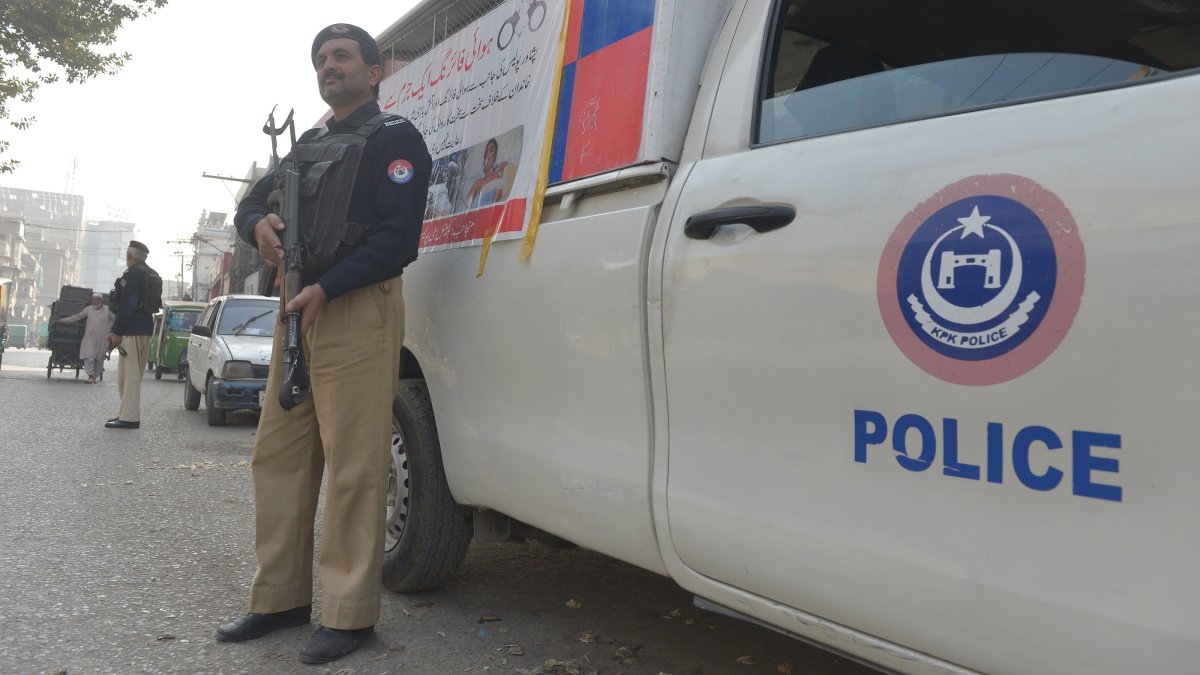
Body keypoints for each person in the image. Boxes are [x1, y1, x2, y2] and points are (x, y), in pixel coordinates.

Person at [215, 23, 431, 665]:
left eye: (342, 57)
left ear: (375, 71)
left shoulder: (395, 139)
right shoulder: (306, 143)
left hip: (355, 307)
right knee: (278, 456)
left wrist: (328, 286)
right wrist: (262, 228)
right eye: (321, 60)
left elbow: (399, 240)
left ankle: (348, 612)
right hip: (295, 310)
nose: (329, 66)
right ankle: (278, 598)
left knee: (355, 465)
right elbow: (247, 206)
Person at [106, 241, 160, 429]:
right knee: (135, 375)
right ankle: (127, 414)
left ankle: (128, 417)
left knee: (128, 377)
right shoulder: (153, 274)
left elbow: (128, 304)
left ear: (130, 256)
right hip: (146, 327)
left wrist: (117, 331)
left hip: (131, 330)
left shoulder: (132, 274)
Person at [53, 292, 114, 383]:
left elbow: (116, 320)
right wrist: (60, 321)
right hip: (90, 338)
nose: (95, 302)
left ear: (101, 301)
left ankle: (94, 377)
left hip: (103, 339)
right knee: (89, 356)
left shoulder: (107, 310)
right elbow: (76, 317)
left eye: (97, 300)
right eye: (93, 300)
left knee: (99, 359)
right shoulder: (88, 309)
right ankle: (90, 375)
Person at [464, 138, 512, 208]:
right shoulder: (478, 182)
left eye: (491, 150)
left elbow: (511, 175)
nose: (488, 155)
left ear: (495, 155)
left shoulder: (502, 166)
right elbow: (467, 206)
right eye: (486, 152)